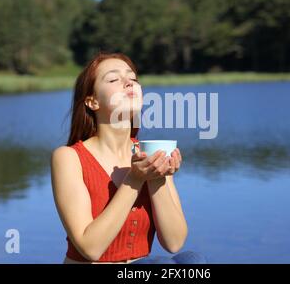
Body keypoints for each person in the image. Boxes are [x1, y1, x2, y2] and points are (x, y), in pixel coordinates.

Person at [50, 52, 206, 264]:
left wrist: (156, 178)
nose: (128, 83)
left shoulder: (150, 153)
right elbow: (90, 248)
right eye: (114, 79)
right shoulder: (69, 157)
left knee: (192, 260)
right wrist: (135, 179)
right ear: (92, 101)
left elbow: (174, 242)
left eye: (133, 79)